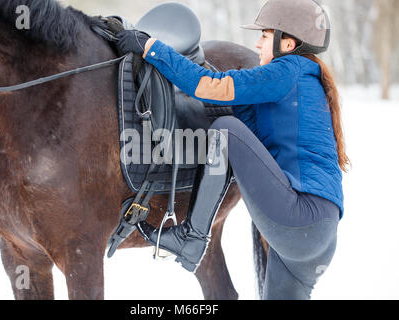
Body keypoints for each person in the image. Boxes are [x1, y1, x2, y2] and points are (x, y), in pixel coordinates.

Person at [117, 0, 350, 299]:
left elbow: (207, 85)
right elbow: (257, 144)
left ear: (287, 43)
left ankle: (192, 237)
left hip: (297, 218)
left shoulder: (287, 70)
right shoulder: (306, 79)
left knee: (224, 130)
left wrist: (151, 47)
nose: (257, 43)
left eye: (265, 36)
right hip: (317, 238)